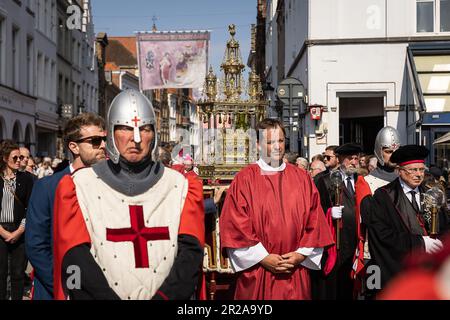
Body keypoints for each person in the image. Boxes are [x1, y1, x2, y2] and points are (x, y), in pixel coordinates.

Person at [53, 89, 205, 300]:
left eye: (144, 129)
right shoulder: (77, 186)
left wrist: (164, 298)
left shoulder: (181, 186)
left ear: (154, 133)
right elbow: (73, 259)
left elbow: (191, 255)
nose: (136, 138)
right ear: (111, 133)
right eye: (125, 128)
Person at [219, 118, 334, 300]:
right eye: (270, 142)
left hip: (295, 271)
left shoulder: (302, 178)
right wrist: (263, 257)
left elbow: (315, 219)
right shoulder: (244, 179)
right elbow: (236, 226)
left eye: (280, 141)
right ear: (258, 145)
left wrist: (301, 254)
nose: (276, 147)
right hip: (258, 273)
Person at [25, 113, 106, 300]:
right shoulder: (47, 187)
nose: (102, 145)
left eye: (103, 140)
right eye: (95, 141)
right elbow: (37, 245)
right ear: (74, 146)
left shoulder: (109, 185)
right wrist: (71, 287)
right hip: (61, 289)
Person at [366, 145, 450, 291]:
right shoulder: (384, 196)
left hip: (429, 271)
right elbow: (381, 235)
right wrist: (420, 243)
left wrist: (440, 243)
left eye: (421, 169)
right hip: (399, 270)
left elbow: (445, 226)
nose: (419, 174)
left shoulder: (431, 193)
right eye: (413, 170)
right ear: (400, 171)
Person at [313, 143, 368, 300]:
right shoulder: (324, 181)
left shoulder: (361, 180)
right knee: (335, 288)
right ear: (340, 159)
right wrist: (329, 213)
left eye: (356, 158)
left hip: (356, 242)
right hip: (335, 242)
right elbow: (315, 211)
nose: (353, 162)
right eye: (349, 159)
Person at [0, 140, 35, 300]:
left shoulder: (27, 179)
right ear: (4, 158)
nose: (19, 161)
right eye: (15, 158)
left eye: (20, 158)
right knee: (1, 273)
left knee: (17, 273)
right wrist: (3, 232)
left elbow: (30, 208)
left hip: (19, 230)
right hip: (1, 230)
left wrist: (19, 231)